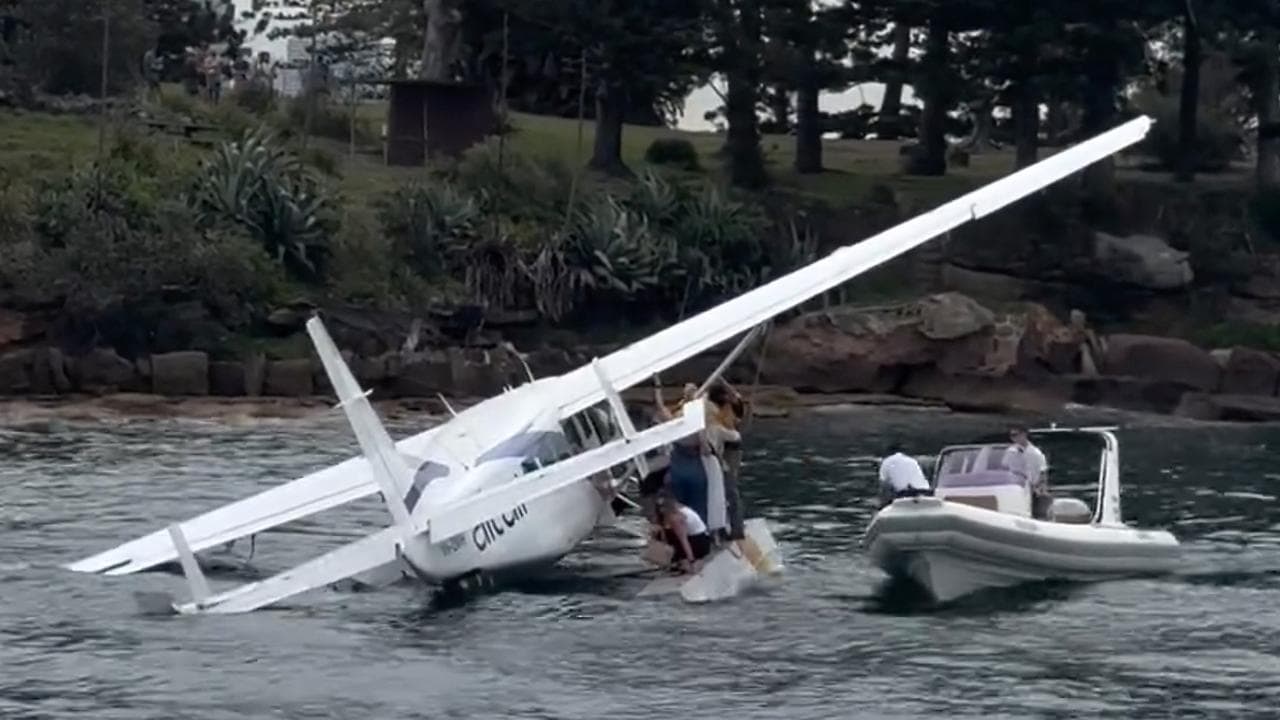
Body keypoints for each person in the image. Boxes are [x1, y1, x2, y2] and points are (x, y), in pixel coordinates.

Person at [707, 382, 746, 541]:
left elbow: (736, 429)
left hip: (728, 449)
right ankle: (729, 527)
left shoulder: (725, 407)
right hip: (723, 448)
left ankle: (733, 528)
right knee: (727, 491)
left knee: (728, 490)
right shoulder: (715, 411)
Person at [650, 491, 712, 574]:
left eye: (664, 506)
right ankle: (673, 559)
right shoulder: (676, 508)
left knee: (670, 533)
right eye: (659, 507)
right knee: (661, 533)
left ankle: (682, 559)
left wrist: (692, 561)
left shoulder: (676, 517)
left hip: (700, 541)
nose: (661, 510)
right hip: (697, 536)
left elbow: (683, 540)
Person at [1004, 425, 1051, 518]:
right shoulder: (1010, 452)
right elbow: (1005, 467)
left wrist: (1042, 487)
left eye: (1015, 435)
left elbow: (1043, 471)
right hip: (1016, 488)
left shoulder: (1036, 453)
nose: (1013, 438)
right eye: (1012, 436)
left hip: (1033, 490)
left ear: (1024, 434)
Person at [877, 442, 932, 507]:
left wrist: (882, 505)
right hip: (926, 493)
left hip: (904, 495)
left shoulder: (886, 462)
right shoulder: (912, 460)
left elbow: (884, 486)